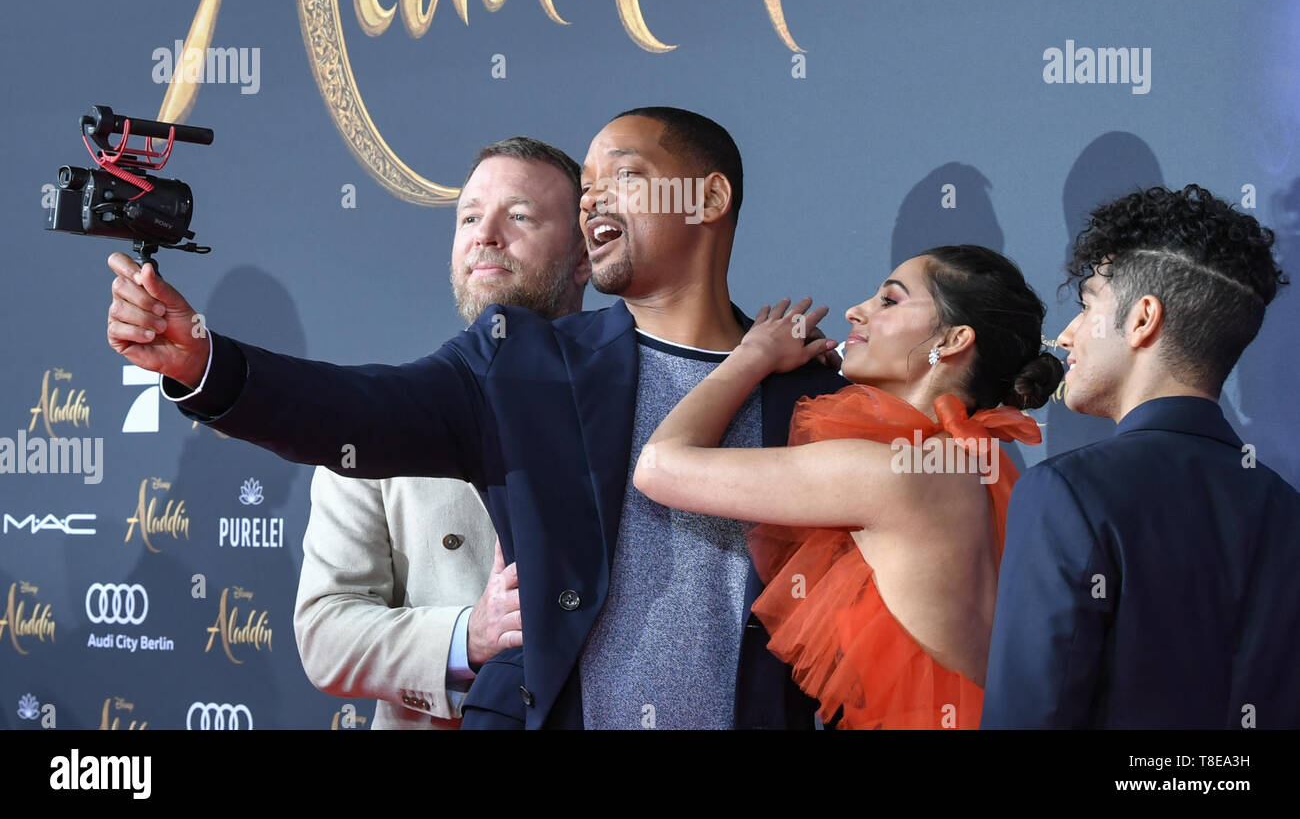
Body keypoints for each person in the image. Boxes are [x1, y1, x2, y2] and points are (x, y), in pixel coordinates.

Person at [105, 107, 845, 729]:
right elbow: (349, 409)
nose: (593, 202)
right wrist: (203, 361)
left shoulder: (809, 393)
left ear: (708, 197)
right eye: (585, 189)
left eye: (621, 175)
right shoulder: (520, 360)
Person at [634, 245, 1062, 729]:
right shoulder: (977, 465)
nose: (855, 310)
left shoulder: (894, 473)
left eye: (890, 301)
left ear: (955, 339)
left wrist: (751, 354)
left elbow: (659, 467)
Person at [293, 136, 589, 729]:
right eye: (470, 217)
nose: (485, 234)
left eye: (520, 216)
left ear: (585, 258)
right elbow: (325, 632)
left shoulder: (644, 401)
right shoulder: (382, 419)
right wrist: (468, 636)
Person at [981, 184, 1300, 729]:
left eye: (1086, 306)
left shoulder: (1067, 494)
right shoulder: (1286, 509)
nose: (1065, 336)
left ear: (1142, 318)